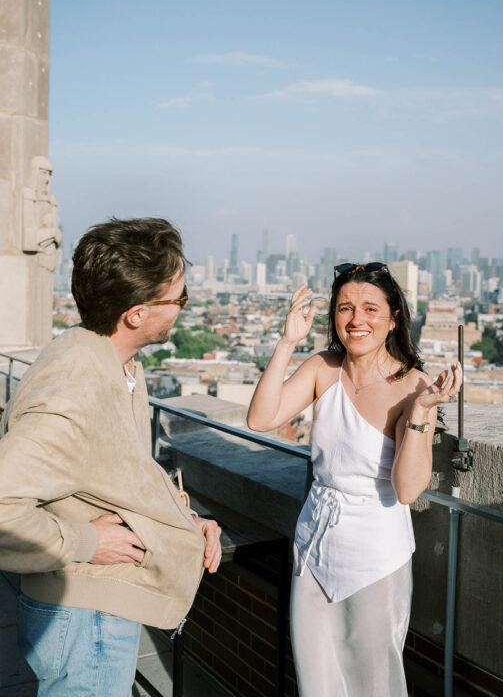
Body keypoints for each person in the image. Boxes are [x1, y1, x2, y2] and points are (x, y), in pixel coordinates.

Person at [0, 217, 222, 696]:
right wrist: (86, 541)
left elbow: (114, 474)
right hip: (86, 618)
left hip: (90, 610)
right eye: (179, 297)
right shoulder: (76, 389)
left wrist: (184, 521)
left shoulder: (113, 363)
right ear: (137, 314)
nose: (184, 307)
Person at [247, 262, 461, 697]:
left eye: (369, 309)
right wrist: (288, 342)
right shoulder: (323, 368)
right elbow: (261, 418)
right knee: (317, 679)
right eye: (345, 308)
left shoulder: (413, 387)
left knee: (373, 681)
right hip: (314, 545)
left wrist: (422, 411)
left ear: (393, 318)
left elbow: (407, 490)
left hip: (376, 555)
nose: (356, 319)